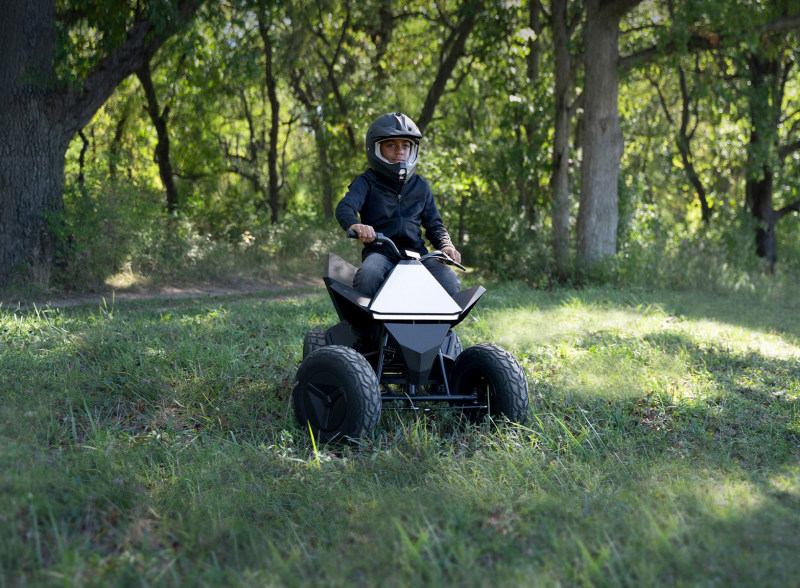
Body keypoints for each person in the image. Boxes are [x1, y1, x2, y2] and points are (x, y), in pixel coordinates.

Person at [335, 112, 462, 304]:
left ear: (413, 149)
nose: (400, 151)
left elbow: (435, 225)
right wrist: (355, 225)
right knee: (368, 276)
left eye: (405, 145)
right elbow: (345, 207)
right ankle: (364, 332)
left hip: (417, 255)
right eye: (391, 145)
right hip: (381, 252)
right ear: (376, 148)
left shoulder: (420, 185)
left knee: (450, 281)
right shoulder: (366, 182)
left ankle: (434, 332)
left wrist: (446, 245)